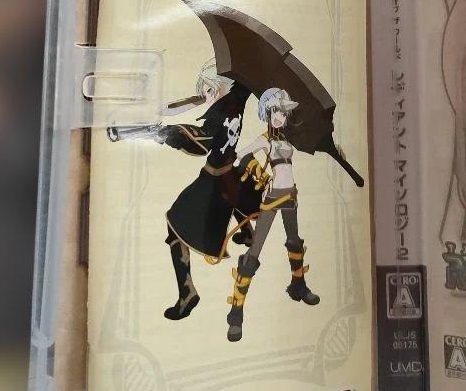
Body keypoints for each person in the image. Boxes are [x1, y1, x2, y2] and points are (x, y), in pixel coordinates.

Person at [107, 60, 260, 320]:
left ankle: (187, 292)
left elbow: (201, 142)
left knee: (175, 223)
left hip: (215, 181)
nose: (205, 95)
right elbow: (239, 89)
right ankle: (246, 234)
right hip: (229, 173)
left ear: (219, 87)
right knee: (233, 197)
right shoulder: (237, 99)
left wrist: (168, 134)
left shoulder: (220, 112)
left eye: (209, 89)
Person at [224, 87, 319, 342]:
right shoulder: (264, 139)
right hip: (272, 197)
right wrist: (258, 170)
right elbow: (240, 157)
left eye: (283, 113)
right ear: (267, 112)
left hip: (291, 195)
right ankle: (236, 314)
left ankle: (298, 286)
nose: (279, 116)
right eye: (275, 111)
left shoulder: (286, 141)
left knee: (294, 242)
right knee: (254, 251)